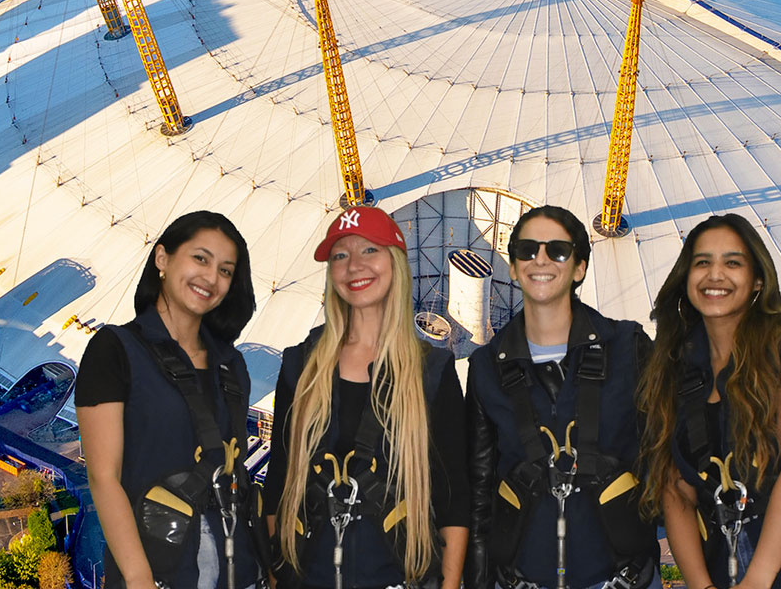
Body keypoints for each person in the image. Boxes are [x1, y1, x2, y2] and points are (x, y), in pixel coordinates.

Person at [636, 214, 781, 589]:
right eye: (702, 263)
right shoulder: (676, 366)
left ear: (758, 280)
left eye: (732, 262)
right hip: (721, 570)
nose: (716, 275)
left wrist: (758, 580)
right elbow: (674, 489)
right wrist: (702, 586)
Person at [266, 207, 469, 589]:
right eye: (341, 255)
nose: (354, 266)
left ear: (395, 263)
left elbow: (452, 495)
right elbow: (279, 481)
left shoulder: (432, 373)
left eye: (370, 251)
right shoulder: (300, 365)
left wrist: (450, 583)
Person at [465, 206, 658, 589]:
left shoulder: (626, 348)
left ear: (579, 268)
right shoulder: (487, 365)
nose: (540, 259)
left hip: (623, 578)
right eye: (526, 249)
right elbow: (479, 487)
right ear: (515, 266)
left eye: (557, 250)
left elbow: (663, 456)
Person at [78, 211, 265, 589]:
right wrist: (137, 577)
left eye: (226, 270)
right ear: (162, 259)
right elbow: (103, 476)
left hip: (242, 567)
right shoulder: (115, 350)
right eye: (200, 258)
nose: (211, 278)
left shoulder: (232, 365)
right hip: (163, 569)